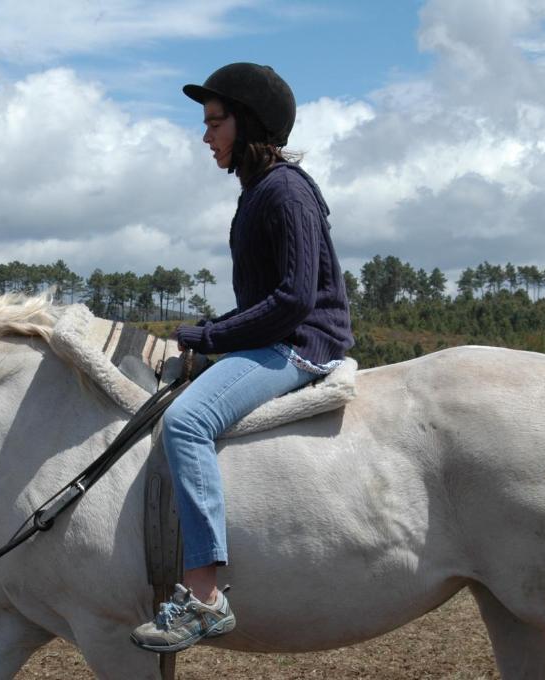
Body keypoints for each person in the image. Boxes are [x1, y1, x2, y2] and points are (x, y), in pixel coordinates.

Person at [130, 63, 354, 653]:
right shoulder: (259, 190)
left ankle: (204, 597)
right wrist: (215, 332)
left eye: (214, 123)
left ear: (247, 122)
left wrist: (210, 336)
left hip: (299, 346)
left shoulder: (284, 191)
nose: (206, 137)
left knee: (187, 421)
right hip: (274, 337)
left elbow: (294, 300)